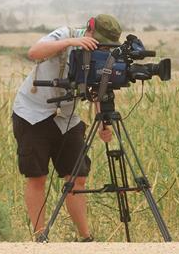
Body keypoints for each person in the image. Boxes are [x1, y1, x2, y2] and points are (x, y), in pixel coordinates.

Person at [12, 14, 122, 241]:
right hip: (33, 112)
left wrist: (103, 122)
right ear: (89, 30)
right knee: (37, 176)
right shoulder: (65, 34)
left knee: (76, 176)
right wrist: (71, 43)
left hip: (67, 117)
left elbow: (97, 87)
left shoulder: (103, 52)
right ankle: (40, 236)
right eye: (97, 39)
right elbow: (34, 53)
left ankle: (85, 237)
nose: (99, 44)